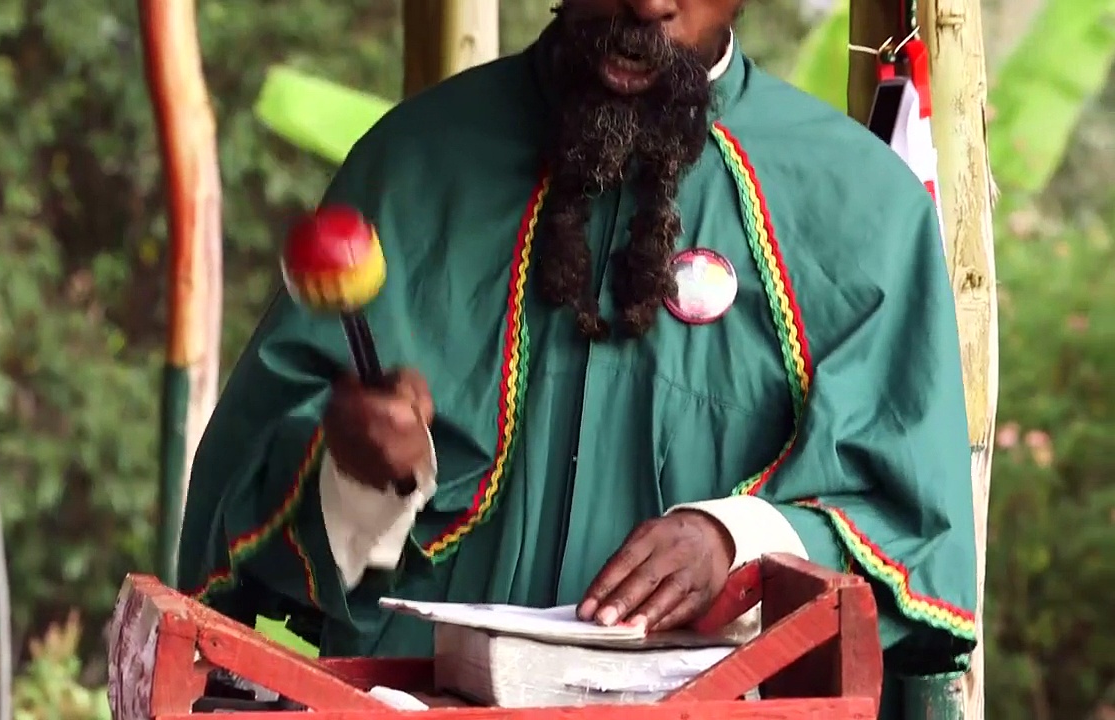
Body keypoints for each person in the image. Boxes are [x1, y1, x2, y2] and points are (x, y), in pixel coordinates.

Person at [177, 0, 978, 715]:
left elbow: (913, 541)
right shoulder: (414, 164)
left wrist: (738, 541)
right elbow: (239, 534)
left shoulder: (862, 207)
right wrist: (358, 478)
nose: (648, 3)